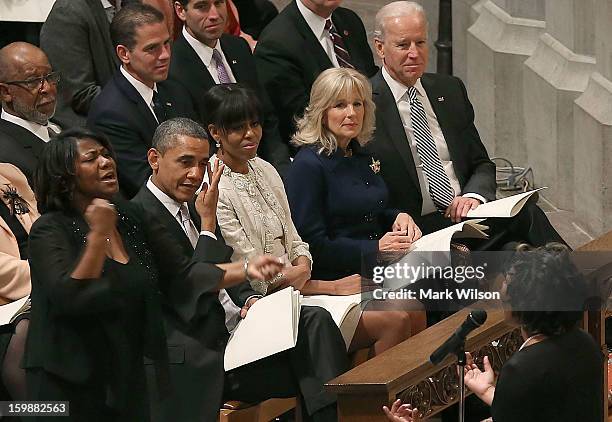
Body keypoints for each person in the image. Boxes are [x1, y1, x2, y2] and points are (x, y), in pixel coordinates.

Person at [23, 128, 282, 420]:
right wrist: (98, 235)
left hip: (124, 374)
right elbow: (71, 298)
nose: (106, 162)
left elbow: (183, 276)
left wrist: (247, 268)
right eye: (91, 158)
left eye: (107, 155)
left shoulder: (129, 218)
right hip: (66, 386)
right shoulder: (49, 229)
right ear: (64, 174)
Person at [134, 117, 349, 421]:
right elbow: (191, 291)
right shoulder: (138, 217)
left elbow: (228, 270)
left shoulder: (194, 203)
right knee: (316, 365)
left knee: (314, 321)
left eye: (200, 163)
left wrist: (249, 300)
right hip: (199, 354)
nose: (195, 174)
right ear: (154, 159)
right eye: (184, 162)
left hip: (238, 333)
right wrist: (208, 227)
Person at [370, 1, 566, 248]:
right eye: (402, 45)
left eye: (420, 43)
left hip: (466, 214)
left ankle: (585, 280)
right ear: (380, 48)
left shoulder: (449, 89)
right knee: (514, 252)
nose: (414, 53)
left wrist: (474, 196)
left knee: (527, 214)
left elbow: (481, 163)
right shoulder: (364, 105)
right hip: (416, 228)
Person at [384, 243, 603, 422]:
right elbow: (538, 410)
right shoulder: (585, 343)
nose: (500, 290)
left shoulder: (522, 369)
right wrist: (487, 390)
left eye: (507, 282)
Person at [286, 67, 420, 281]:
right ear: (322, 113)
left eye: (357, 104)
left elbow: (371, 211)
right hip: (340, 277)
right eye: (340, 105)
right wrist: (374, 248)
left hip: (380, 266)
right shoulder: (308, 165)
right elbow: (311, 246)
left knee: (457, 271)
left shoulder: (360, 153)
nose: (351, 113)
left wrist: (397, 216)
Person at [88, 2, 195, 198]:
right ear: (124, 53)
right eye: (152, 48)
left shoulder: (174, 88)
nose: (165, 55)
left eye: (166, 43)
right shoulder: (110, 113)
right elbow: (146, 181)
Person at [170, 0, 291, 174]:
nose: (214, 15)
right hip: (218, 179)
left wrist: (281, 172)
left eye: (219, 3)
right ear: (181, 11)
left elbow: (267, 118)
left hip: (264, 168)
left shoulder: (239, 47)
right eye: (202, 6)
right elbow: (195, 142)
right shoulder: (173, 68)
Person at [254, 0, 378, 145]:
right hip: (323, 150)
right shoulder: (276, 43)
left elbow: (371, 83)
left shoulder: (349, 20)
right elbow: (301, 120)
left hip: (369, 137)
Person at [40, 0, 120, 128]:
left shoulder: (130, 5)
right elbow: (80, 94)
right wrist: (138, 102)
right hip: (86, 131)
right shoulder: (68, 11)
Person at [0, 163, 38, 402]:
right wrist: (47, 273)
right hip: (8, 302)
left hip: (41, 284)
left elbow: (42, 228)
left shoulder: (8, 174)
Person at [0, 42, 61, 182]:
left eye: (49, 77)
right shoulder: (5, 157)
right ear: (5, 92)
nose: (47, 88)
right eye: (33, 81)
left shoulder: (66, 128)